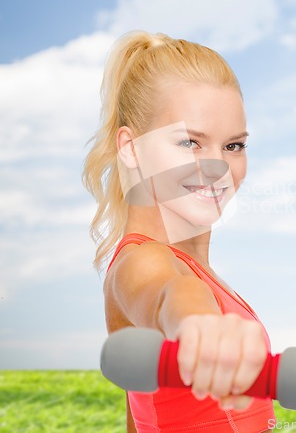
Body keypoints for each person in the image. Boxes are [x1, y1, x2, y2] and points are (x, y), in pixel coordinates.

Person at [81, 30, 276, 432]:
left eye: (234, 146)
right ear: (131, 147)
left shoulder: (197, 268)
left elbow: (144, 415)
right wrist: (197, 324)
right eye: (190, 142)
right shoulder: (142, 260)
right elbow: (169, 293)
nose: (217, 167)